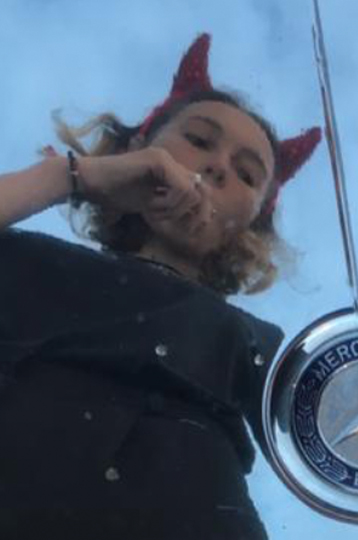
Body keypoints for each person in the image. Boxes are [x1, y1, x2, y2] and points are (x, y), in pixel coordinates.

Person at [0, 34, 321, 540]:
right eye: (198, 140)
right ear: (137, 149)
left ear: (255, 221)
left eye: (246, 174)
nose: (218, 166)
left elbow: (339, 423)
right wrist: (73, 176)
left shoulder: (252, 339)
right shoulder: (35, 262)